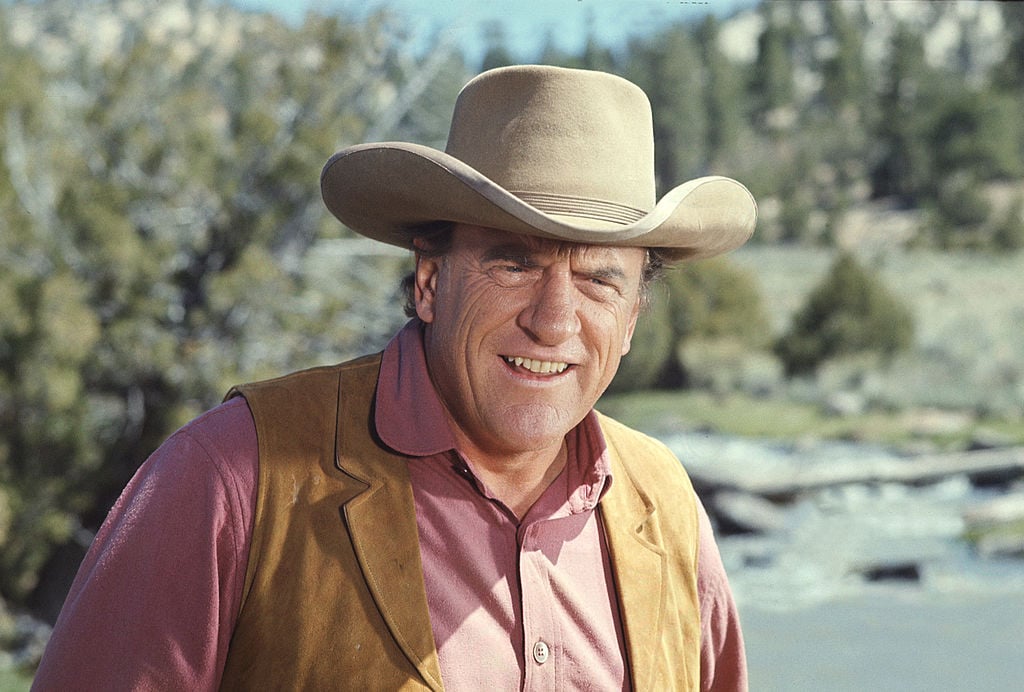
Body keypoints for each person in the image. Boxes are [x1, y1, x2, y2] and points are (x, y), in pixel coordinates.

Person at [33, 64, 756, 690]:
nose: (555, 320)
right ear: (431, 283)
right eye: (515, 263)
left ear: (631, 321)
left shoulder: (665, 505)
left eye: (599, 280)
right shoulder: (231, 477)